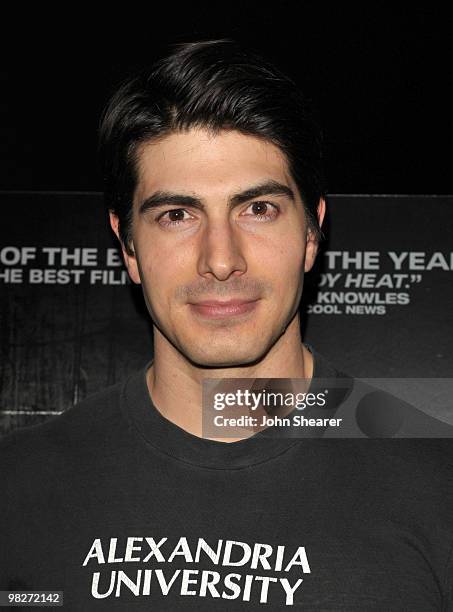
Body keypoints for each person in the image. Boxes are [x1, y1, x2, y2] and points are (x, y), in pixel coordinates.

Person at [1, 40, 452, 610]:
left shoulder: (440, 487)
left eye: (257, 209)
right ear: (128, 246)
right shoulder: (16, 488)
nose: (220, 258)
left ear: (312, 232)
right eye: (177, 215)